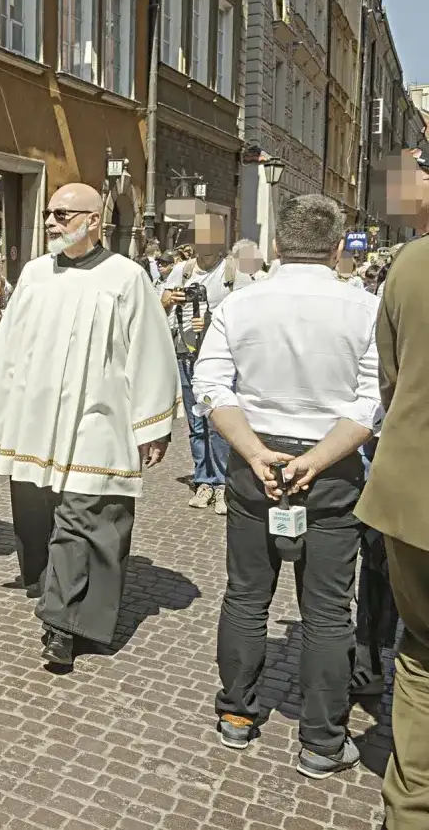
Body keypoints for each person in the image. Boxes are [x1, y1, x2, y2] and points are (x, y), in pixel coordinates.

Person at [192, 194, 378, 779]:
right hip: (333, 466)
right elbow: (372, 400)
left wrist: (251, 451)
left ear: (276, 244)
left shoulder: (243, 303)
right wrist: (317, 459)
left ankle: (238, 716)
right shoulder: (364, 307)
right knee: (326, 611)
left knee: (246, 596)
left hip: (257, 459)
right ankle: (322, 741)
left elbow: (210, 387)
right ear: (335, 248)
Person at [0, 183, 179, 669]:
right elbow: (8, 341)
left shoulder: (126, 278)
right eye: (49, 213)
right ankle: (52, 590)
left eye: (63, 214)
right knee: (39, 510)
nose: (51, 222)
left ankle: (61, 624)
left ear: (94, 221)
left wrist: (152, 424)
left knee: (89, 513)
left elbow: (150, 351)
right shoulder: (36, 274)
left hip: (97, 419)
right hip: (37, 420)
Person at [355, 148, 429, 826]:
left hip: (413, 497)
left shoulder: (408, 265)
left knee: (422, 655)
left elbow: (391, 382)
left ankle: (410, 806)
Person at [160, 220, 253, 515]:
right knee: (195, 425)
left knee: (218, 424)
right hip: (184, 355)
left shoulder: (234, 273)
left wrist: (211, 320)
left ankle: (224, 483)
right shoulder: (181, 270)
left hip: (218, 362)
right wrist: (166, 300)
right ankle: (204, 480)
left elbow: (248, 315)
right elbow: (156, 304)